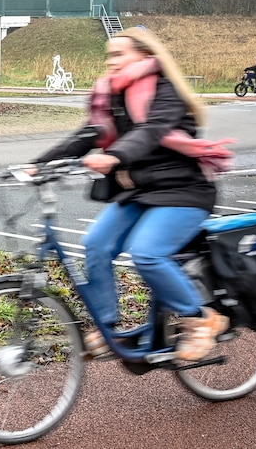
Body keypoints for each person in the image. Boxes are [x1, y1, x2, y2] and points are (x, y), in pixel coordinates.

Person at [30, 27, 234, 362]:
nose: (111, 62)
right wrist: (39, 164)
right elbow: (89, 134)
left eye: (118, 55)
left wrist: (114, 156)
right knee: (96, 244)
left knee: (147, 253)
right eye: (108, 55)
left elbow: (150, 131)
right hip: (140, 193)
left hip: (182, 192)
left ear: (143, 55)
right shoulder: (112, 95)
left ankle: (200, 318)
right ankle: (106, 325)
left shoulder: (166, 92)